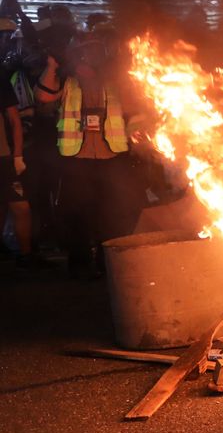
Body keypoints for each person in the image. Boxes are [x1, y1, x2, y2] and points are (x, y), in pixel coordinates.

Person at [34, 36, 143, 277]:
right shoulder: (68, 81)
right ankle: (80, 265)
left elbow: (135, 109)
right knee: (76, 214)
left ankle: (109, 265)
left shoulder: (115, 82)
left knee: (111, 214)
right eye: (84, 52)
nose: (89, 56)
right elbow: (43, 97)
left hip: (111, 159)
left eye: (94, 50)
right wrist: (52, 66)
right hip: (77, 160)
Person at [0, 69, 34, 267]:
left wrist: (18, 155)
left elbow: (15, 121)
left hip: (3, 157)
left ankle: (26, 255)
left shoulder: (1, 80)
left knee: (20, 206)